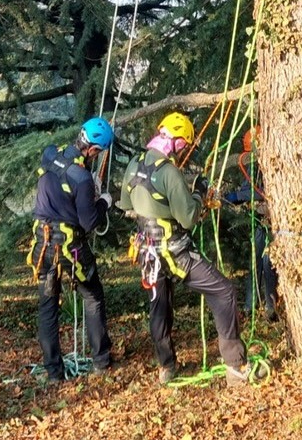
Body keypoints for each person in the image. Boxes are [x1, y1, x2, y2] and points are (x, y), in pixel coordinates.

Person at [118, 112, 251, 386]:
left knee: (159, 307)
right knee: (224, 292)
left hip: (149, 253)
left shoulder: (134, 165)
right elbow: (189, 217)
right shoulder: (168, 171)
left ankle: (166, 367)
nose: (183, 152)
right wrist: (198, 193)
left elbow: (127, 205)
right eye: (184, 145)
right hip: (175, 253)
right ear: (177, 141)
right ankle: (235, 366)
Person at [27, 117, 114, 381]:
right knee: (92, 296)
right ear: (94, 150)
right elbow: (88, 222)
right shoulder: (81, 177)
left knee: (48, 305)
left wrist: (87, 190)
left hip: (42, 243)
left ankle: (54, 372)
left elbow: (64, 171)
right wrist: (103, 203)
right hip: (69, 247)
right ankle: (101, 360)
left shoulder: (50, 154)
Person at [224, 126, 279, 322]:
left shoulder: (266, 165)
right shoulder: (255, 165)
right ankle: (250, 305)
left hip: (272, 222)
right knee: (256, 261)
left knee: (267, 262)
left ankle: (271, 306)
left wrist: (234, 196)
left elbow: (254, 192)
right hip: (261, 220)